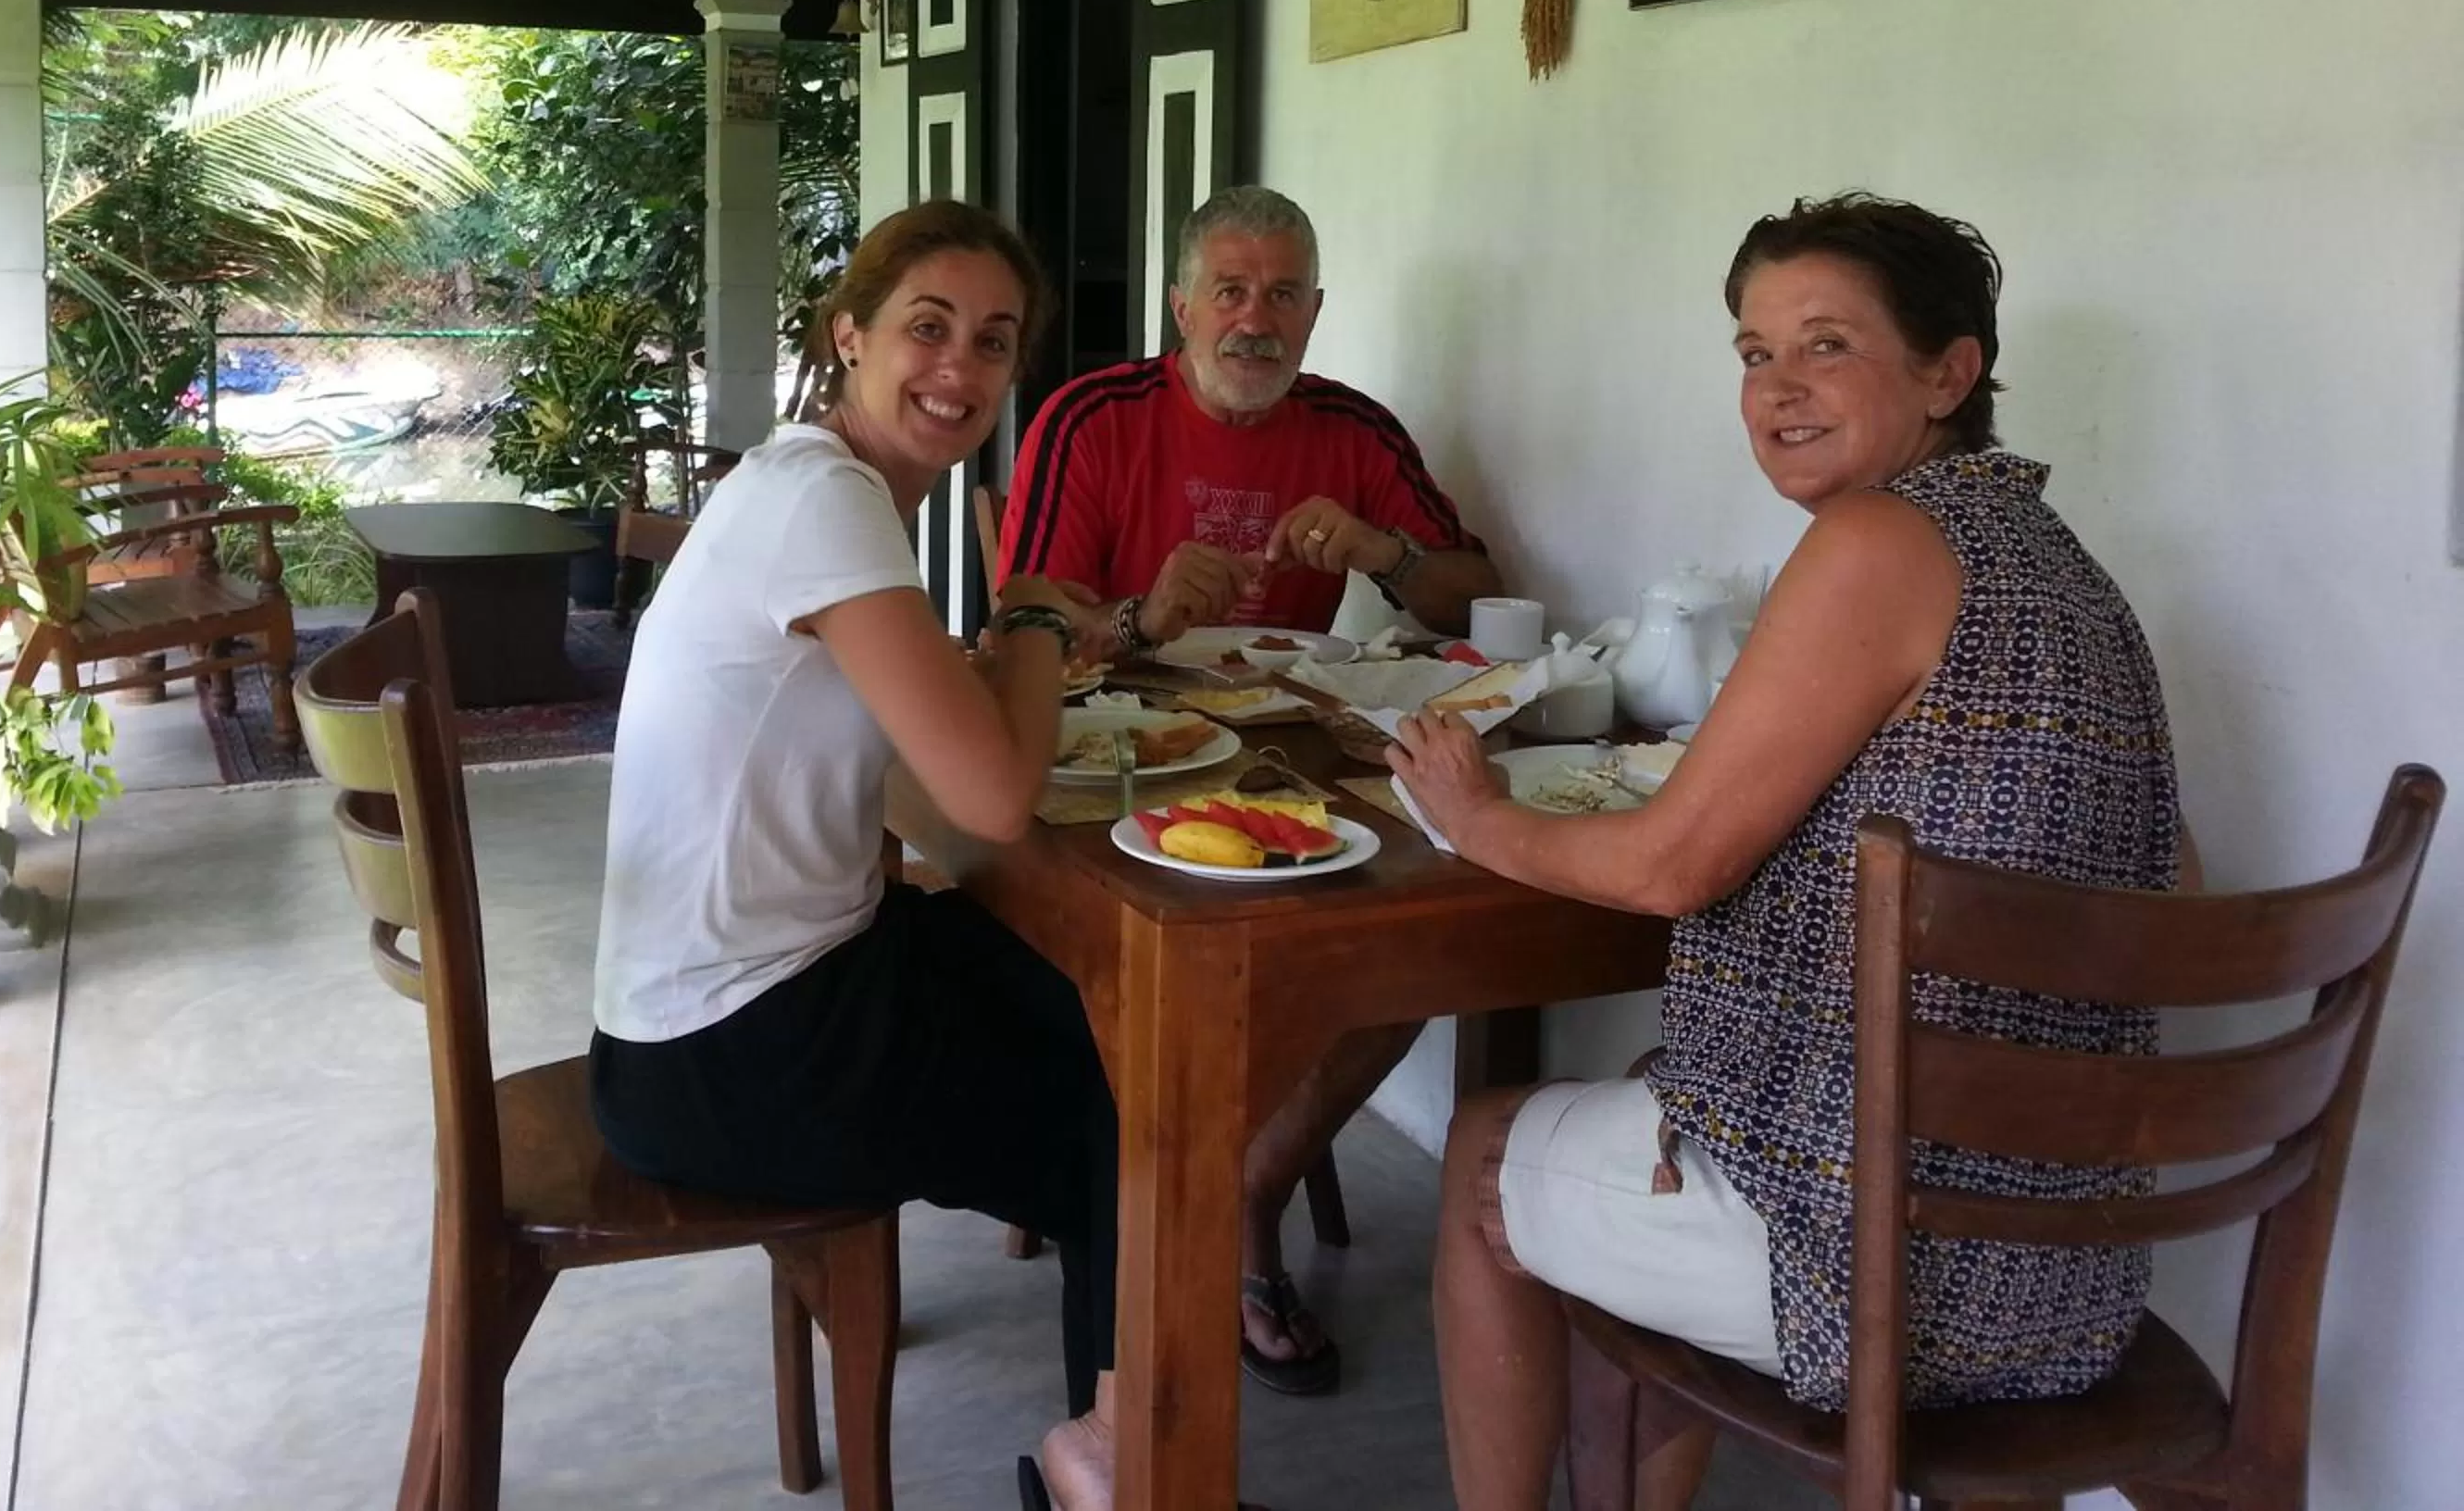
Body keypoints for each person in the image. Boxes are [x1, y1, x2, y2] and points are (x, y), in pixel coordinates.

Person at [1392, 194, 2181, 1511]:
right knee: (1651, 1103)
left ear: (1951, 370)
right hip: (2077, 1271)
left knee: (1486, 1156)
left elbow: (1669, 867)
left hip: (1887, 1268)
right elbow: (2173, 891)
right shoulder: (2074, 577)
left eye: (1826, 345)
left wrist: (1473, 814)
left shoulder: (1880, 538)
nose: (1777, 388)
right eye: (1755, 353)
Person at [587, 200, 1126, 1511]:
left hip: (707, 1009)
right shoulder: (829, 501)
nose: (961, 369)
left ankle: (1119, 1409)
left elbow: (929, 790)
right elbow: (995, 795)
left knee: (1097, 1014)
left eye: (994, 344)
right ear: (851, 335)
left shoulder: (806, 483)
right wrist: (1042, 607)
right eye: (928, 329)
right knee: (1137, 1106)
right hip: (728, 1051)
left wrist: (1011, 660)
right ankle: (1113, 1461)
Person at [998, 182, 1504, 1396]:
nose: (1254, 317)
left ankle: (1243, 1187)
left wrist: (1384, 554)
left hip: (1286, 763)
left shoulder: (1354, 430)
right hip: (1103, 764)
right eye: (1229, 289)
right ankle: (1163, 1201)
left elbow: (1477, 590)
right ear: (1181, 304)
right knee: (1178, 960)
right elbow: (1019, 617)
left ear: (1318, 309)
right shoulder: (1093, 413)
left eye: (1282, 293)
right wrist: (1137, 613)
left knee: (1413, 939)